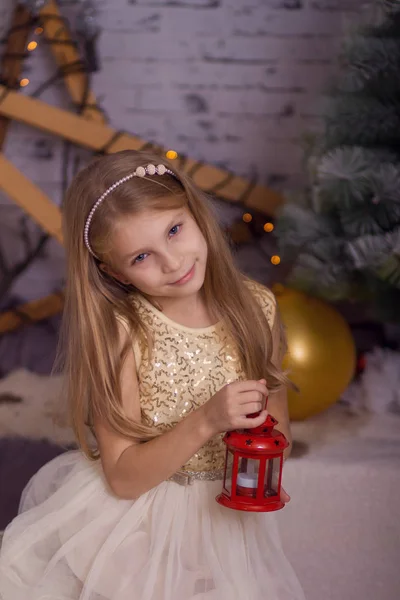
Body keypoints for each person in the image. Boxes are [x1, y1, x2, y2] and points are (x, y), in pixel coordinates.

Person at [0, 150, 305, 599]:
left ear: (196, 214)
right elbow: (124, 479)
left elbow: (279, 431)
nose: (172, 262)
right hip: (139, 519)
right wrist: (207, 420)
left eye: (175, 230)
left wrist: (264, 442)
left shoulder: (255, 306)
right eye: (142, 256)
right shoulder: (124, 334)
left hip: (226, 513)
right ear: (113, 272)